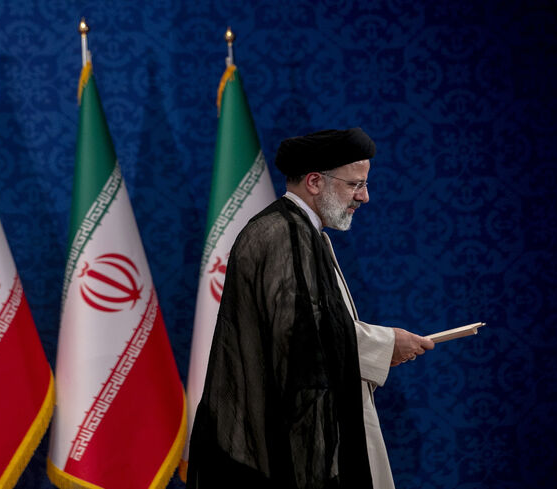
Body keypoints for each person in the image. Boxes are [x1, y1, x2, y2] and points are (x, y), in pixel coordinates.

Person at [186, 128, 434, 488]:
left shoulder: (302, 230)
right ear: (315, 181)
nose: (364, 196)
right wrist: (386, 344)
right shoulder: (281, 234)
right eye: (354, 184)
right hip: (276, 448)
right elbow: (301, 335)